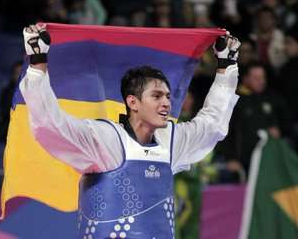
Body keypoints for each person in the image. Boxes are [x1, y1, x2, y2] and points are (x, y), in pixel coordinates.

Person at [20, 23, 240, 238]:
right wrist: (38, 64)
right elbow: (51, 124)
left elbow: (212, 124)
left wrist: (226, 68)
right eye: (156, 96)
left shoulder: (170, 142)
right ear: (133, 102)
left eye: (167, 96)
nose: (166, 103)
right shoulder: (107, 140)